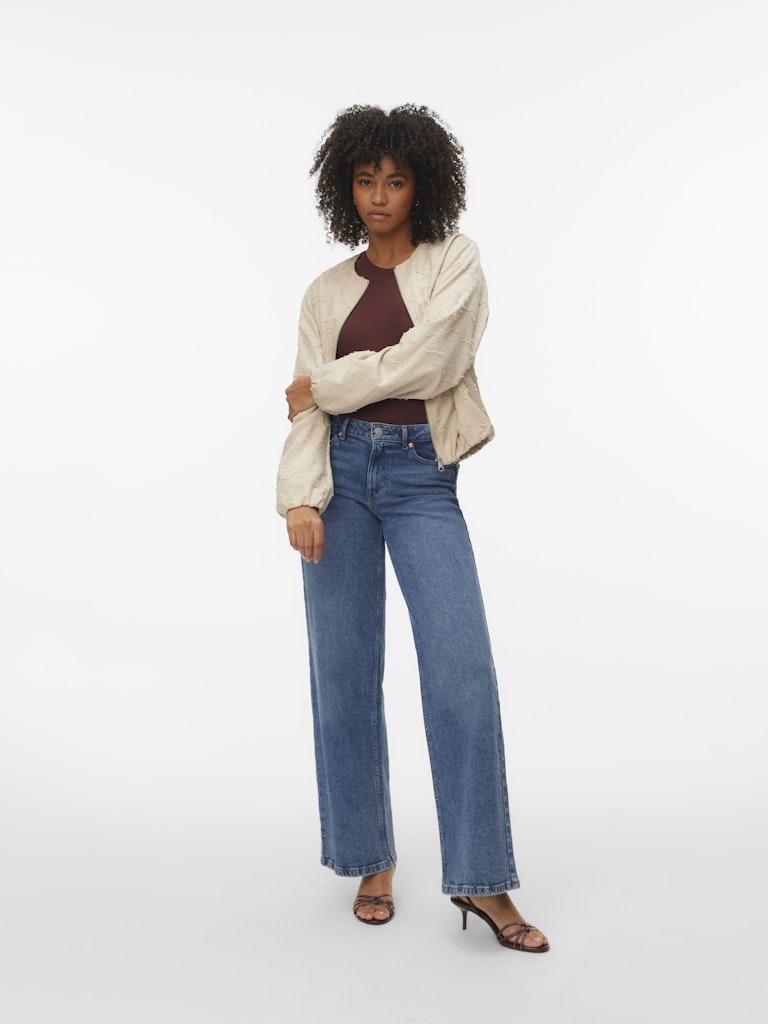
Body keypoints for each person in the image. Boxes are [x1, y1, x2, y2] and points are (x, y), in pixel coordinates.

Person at [276, 104, 549, 952]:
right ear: (345, 186)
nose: (379, 195)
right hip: (339, 479)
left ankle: (482, 879)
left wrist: (330, 384)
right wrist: (299, 496)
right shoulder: (325, 291)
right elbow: (303, 408)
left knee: (462, 674)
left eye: (395, 181)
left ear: (421, 186)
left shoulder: (454, 261)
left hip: (422, 477)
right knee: (344, 676)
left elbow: (436, 361)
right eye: (366, 180)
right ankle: (370, 860)